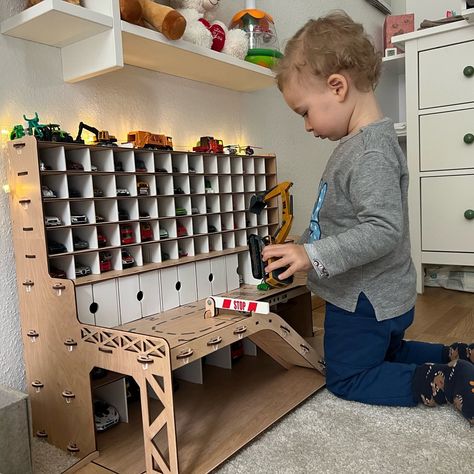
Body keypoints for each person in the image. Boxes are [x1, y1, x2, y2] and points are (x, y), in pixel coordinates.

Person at [262, 11, 474, 424]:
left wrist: (310, 256)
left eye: (304, 111)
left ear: (337, 87)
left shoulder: (370, 153)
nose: (306, 126)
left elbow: (382, 231)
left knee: (348, 375)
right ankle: (455, 355)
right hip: (383, 300)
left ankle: (446, 384)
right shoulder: (359, 146)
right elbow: (332, 221)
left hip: (362, 302)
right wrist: (299, 249)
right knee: (389, 353)